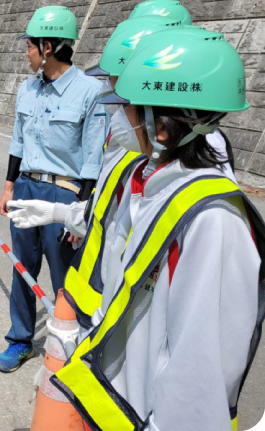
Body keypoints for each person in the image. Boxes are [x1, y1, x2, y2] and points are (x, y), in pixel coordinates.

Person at [51, 26, 265, 431]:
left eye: (127, 109)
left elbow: (198, 379)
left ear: (160, 128)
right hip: (118, 409)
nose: (118, 119)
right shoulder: (152, 187)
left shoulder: (212, 222)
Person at [0, 6, 107, 373]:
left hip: (64, 194)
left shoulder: (90, 92)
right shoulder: (27, 88)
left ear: (47, 47)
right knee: (23, 270)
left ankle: (71, 348)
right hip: (26, 187)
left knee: (65, 279)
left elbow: (92, 158)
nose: (24, 53)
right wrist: (9, 186)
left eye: (28, 46)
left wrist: (81, 209)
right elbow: (17, 142)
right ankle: (20, 340)